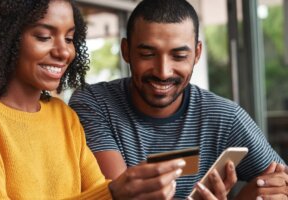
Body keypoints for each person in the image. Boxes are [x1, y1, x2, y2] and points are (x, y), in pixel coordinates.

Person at [0, 0, 200, 199]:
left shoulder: (63, 116)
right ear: (4, 38)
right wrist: (113, 194)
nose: (63, 52)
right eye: (44, 36)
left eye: (69, 38)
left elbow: (97, 191)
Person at [69, 0, 288, 199]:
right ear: (126, 51)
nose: (163, 72)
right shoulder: (94, 104)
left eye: (179, 56)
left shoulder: (225, 118)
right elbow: (126, 194)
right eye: (148, 54)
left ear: (197, 53)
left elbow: (281, 181)